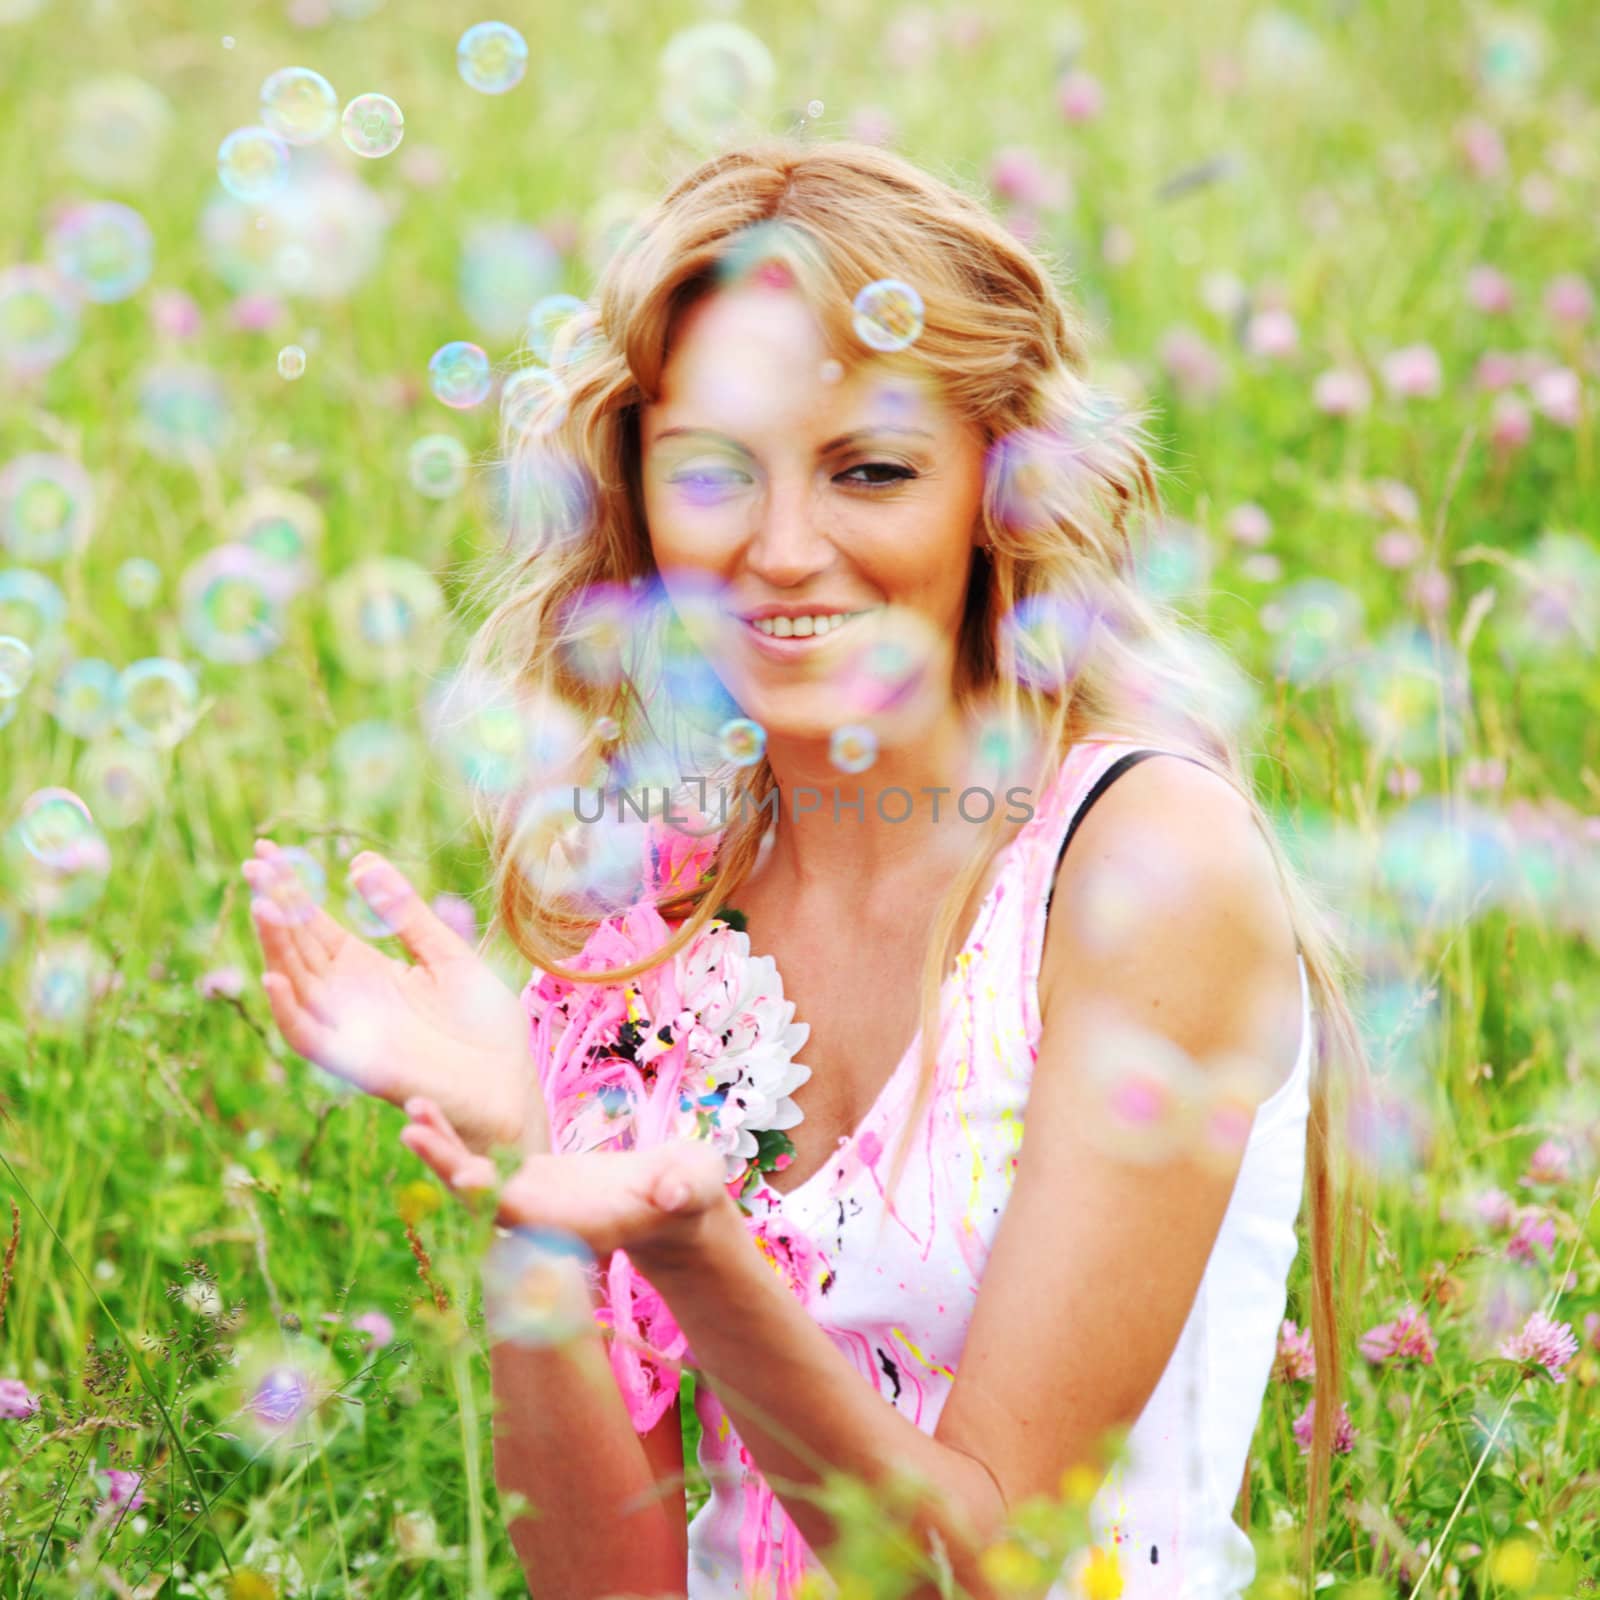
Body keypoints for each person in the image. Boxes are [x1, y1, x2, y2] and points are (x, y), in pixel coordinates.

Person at [244, 138, 1374, 1600]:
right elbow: (615, 1588)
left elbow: (978, 1568)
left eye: (871, 470)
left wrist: (695, 1249)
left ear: (997, 489)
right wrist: (539, 1191)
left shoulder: (1145, 861)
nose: (782, 551)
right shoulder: (656, 898)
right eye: (714, 472)